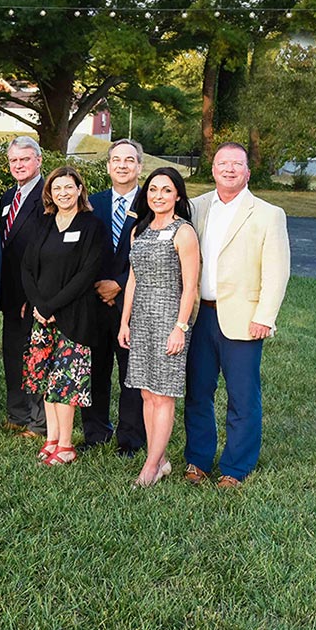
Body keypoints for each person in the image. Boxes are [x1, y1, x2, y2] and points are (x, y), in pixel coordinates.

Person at [183, 143, 291, 488]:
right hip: (200, 315)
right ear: (212, 169)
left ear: (247, 171)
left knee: (242, 396)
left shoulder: (267, 214)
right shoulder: (196, 207)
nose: (229, 169)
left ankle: (235, 467)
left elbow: (277, 271)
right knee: (198, 392)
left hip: (244, 318)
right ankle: (197, 460)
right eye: (222, 163)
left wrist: (265, 316)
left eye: (237, 164)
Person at [118, 167, 199, 487]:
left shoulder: (184, 232)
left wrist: (180, 327)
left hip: (169, 319)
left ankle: (150, 467)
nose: (158, 196)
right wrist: (125, 322)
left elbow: (190, 286)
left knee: (164, 395)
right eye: (153, 190)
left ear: (177, 195)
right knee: (147, 393)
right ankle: (161, 458)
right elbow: (132, 280)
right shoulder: (140, 229)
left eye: (166, 190)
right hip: (141, 320)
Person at [21, 166, 107, 466]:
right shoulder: (44, 224)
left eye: (69, 187)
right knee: (46, 379)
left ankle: (67, 446)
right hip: (42, 316)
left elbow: (87, 274)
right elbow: (27, 268)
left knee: (65, 383)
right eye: (57, 188)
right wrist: (39, 305)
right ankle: (52, 439)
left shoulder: (91, 225)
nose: (63, 193)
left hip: (74, 316)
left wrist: (53, 306)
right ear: (50, 193)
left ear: (80, 190)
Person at [89, 138, 146, 456]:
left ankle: (130, 438)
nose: (122, 165)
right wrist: (99, 284)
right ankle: (95, 431)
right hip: (95, 301)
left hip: (134, 304)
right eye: (116, 160)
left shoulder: (152, 203)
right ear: (108, 165)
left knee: (130, 374)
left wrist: (121, 284)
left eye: (129, 160)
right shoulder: (93, 203)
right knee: (95, 370)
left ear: (139, 166)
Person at [0, 136, 48, 438]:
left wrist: (35, 296)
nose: (19, 165)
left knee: (36, 356)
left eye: (25, 159)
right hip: (11, 294)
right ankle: (16, 413)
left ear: (39, 160)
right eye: (14, 160)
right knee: (12, 352)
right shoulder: (7, 198)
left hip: (35, 294)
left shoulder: (48, 195)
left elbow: (48, 250)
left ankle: (38, 420)